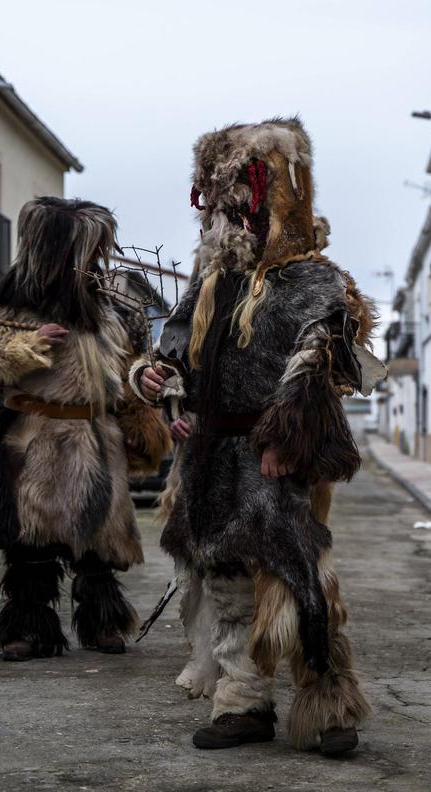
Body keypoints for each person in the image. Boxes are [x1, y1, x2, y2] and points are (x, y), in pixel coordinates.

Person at [131, 118, 385, 755]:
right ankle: (242, 702)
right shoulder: (212, 284)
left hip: (278, 456)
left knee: (300, 579)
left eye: (240, 202)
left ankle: (328, 707)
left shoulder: (318, 281)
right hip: (213, 455)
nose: (229, 220)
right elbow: (172, 351)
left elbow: (321, 364)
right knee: (225, 582)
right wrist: (154, 375)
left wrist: (287, 439)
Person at [0, 197, 171, 662]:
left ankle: (101, 622)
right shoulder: (12, 305)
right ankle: (28, 627)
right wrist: (30, 344)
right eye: (89, 247)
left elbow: (132, 369)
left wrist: (144, 406)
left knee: (99, 545)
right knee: (32, 543)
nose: (98, 258)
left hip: (97, 442)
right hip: (35, 442)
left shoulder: (112, 310)